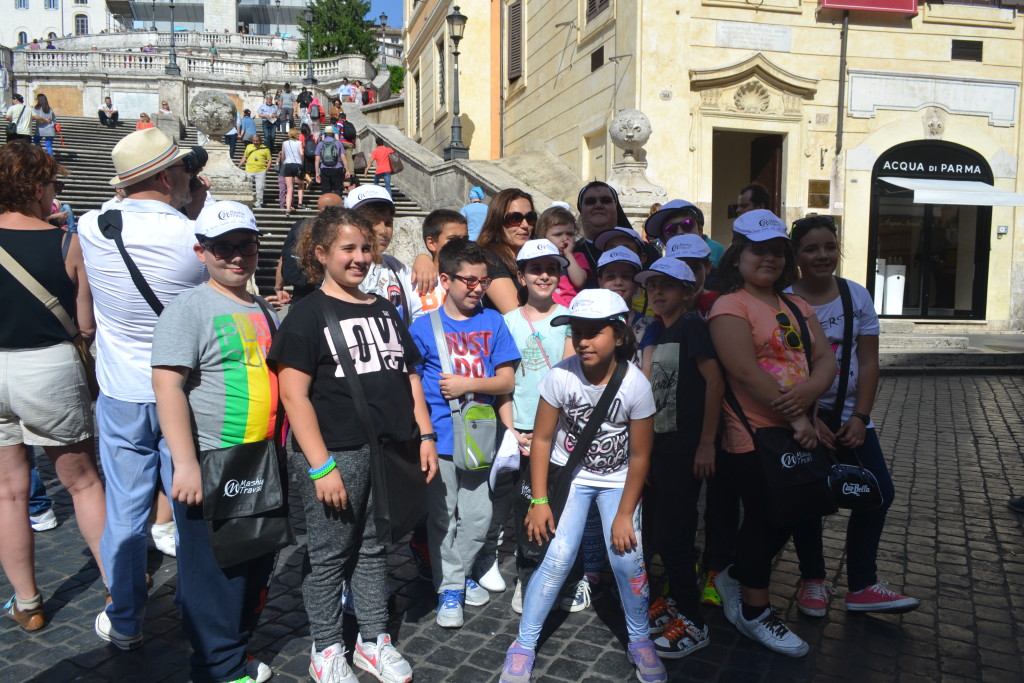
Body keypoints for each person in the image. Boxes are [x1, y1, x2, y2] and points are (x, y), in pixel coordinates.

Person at [268, 206, 436, 683]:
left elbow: (409, 377)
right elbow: (293, 395)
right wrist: (321, 467)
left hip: (384, 449)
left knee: (373, 546)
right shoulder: (305, 315)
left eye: (366, 248)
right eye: (348, 248)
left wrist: (424, 433)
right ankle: (326, 647)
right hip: (334, 452)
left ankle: (372, 638)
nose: (360, 257)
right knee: (328, 554)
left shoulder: (384, 309)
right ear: (321, 254)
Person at [77, 128, 208, 649]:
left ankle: (126, 614)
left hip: (121, 390)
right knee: (191, 506)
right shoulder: (190, 239)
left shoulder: (89, 226)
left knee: (127, 510)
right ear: (166, 175)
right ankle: (199, 608)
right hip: (185, 392)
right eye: (183, 170)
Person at [500, 288, 666, 683]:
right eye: (577, 332)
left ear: (620, 335)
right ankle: (523, 643)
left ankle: (640, 638)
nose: (583, 341)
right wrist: (539, 500)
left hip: (617, 481)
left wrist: (625, 514)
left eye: (595, 332)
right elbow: (541, 440)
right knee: (556, 558)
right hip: (570, 477)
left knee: (628, 557)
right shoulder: (560, 376)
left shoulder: (636, 385)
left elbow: (641, 455)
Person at [151, 201, 278, 683]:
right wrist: (184, 464)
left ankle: (234, 650)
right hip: (211, 460)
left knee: (254, 562)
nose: (237, 257)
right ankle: (217, 669)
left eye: (246, 246)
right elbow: (168, 387)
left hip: (258, 460)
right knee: (214, 575)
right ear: (200, 251)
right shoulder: (188, 307)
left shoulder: (261, 305)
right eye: (223, 248)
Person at [707, 209, 836, 657]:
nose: (770, 259)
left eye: (778, 251)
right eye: (759, 250)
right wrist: (799, 416)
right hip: (753, 432)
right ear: (739, 254)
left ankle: (738, 576)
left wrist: (810, 398)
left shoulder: (797, 305)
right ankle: (755, 611)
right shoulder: (730, 305)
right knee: (764, 516)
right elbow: (744, 371)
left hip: (793, 427)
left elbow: (825, 361)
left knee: (793, 511)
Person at [786, 215, 919, 615]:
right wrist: (810, 419)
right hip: (802, 417)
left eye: (829, 246)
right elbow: (784, 365)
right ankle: (813, 580)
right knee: (807, 500)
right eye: (811, 248)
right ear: (797, 255)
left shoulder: (855, 296)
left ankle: (862, 583)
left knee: (879, 494)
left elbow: (869, 361)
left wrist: (861, 416)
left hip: (849, 416)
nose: (822, 255)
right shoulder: (787, 300)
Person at [0, 142, 106, 633]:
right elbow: (85, 325)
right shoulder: (67, 242)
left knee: (8, 494)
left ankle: (28, 602)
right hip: (48, 366)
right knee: (82, 483)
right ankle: (118, 589)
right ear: (38, 187)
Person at [408, 238, 519, 629]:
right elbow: (412, 386)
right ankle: (451, 588)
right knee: (442, 518)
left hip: (479, 438)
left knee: (478, 515)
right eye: (468, 281)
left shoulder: (493, 322)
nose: (476, 288)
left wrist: (469, 382)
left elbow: (506, 379)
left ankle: (461, 572)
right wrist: (423, 436)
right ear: (445, 279)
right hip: (438, 438)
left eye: (483, 282)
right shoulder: (422, 327)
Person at [634, 258, 723, 660]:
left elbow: (714, 381)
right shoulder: (661, 330)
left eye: (666, 286)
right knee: (661, 530)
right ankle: (673, 605)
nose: (657, 293)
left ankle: (693, 620)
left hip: (685, 448)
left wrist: (706, 443)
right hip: (660, 447)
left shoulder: (690, 326)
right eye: (652, 286)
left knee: (676, 535)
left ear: (687, 292)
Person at [496, 240, 576, 612]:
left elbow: (572, 382)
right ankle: (528, 576)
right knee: (525, 505)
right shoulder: (507, 322)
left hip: (559, 432)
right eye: (535, 269)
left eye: (552, 268)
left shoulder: (569, 319)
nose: (544, 275)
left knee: (560, 505)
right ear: (521, 274)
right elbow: (504, 383)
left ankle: (558, 574)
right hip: (522, 431)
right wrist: (511, 431)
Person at [275, 192, 343, 307]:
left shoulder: (300, 226)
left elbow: (284, 256)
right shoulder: (339, 231)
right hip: (329, 295)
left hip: (300, 294)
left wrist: (278, 287)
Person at [477, 188, 537, 313]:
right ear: (498, 221)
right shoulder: (488, 258)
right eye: (515, 218)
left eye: (530, 217)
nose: (525, 225)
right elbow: (516, 315)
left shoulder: (537, 255)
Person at [644, 199, 725, 268]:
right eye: (671, 229)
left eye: (687, 225)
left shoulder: (719, 279)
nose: (680, 232)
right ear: (663, 239)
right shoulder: (657, 280)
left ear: (700, 230)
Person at [533, 206, 587, 307]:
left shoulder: (577, 257)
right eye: (558, 234)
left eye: (570, 234)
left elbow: (579, 281)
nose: (565, 239)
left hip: (573, 308)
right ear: (543, 236)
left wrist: (569, 254)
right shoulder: (539, 260)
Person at [238, 134, 272, 209]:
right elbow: (245, 157)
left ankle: (258, 202)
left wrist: (266, 170)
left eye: (257, 141)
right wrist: (238, 166)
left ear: (260, 140)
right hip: (249, 170)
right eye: (254, 141)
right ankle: (248, 201)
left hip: (260, 171)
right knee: (248, 187)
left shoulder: (265, 149)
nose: (255, 142)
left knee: (259, 188)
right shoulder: (249, 147)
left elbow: (269, 160)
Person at [314, 126, 347, 197]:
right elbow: (343, 157)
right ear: (333, 134)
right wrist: (347, 170)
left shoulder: (320, 143)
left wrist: (317, 173)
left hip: (324, 168)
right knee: (338, 188)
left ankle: (327, 206)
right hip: (337, 168)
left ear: (325, 134)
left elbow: (317, 159)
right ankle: (337, 205)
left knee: (326, 190)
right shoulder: (338, 143)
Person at [278, 128, 304, 215]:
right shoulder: (299, 143)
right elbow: (301, 153)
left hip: (288, 165)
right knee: (301, 184)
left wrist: (284, 162)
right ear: (297, 135)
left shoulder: (284, 143)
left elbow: (283, 154)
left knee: (289, 189)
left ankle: (288, 209)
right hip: (297, 164)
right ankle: (300, 202)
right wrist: (301, 161)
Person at [335, 110, 357, 175]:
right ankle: (351, 173)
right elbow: (354, 135)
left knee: (340, 157)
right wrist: (354, 143)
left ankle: (342, 172)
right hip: (350, 143)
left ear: (340, 117)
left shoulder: (340, 122)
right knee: (349, 159)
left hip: (342, 142)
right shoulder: (350, 124)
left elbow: (337, 131)